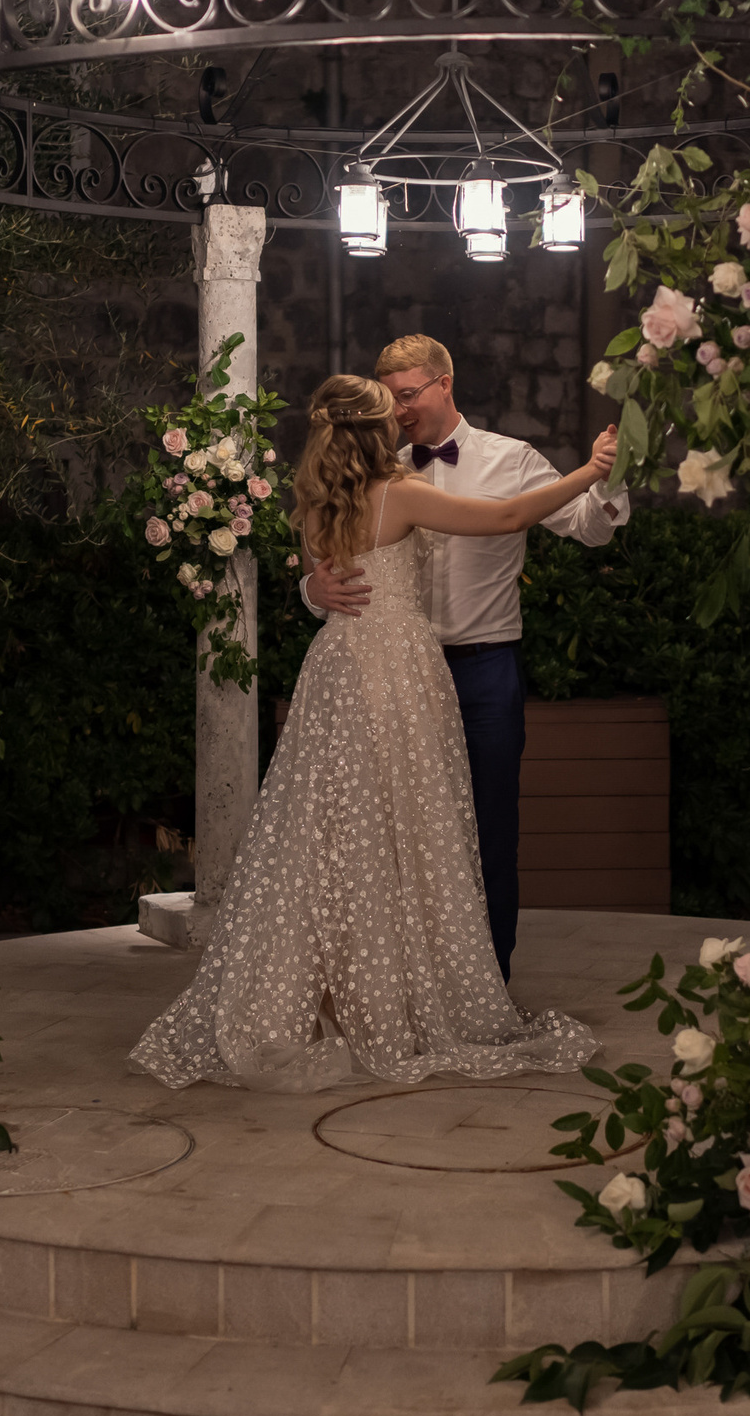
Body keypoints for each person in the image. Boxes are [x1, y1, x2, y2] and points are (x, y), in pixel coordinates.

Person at [129, 374, 608, 1093]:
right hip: (397, 670)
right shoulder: (400, 492)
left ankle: (336, 995)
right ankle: (396, 1000)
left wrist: (314, 587)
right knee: (404, 829)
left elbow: (328, 572)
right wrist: (590, 472)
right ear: (378, 430)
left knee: (330, 833)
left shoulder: (315, 500)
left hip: (337, 669)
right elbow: (508, 518)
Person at [300, 335, 630, 980]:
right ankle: (410, 985)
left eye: (408, 395)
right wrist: (312, 589)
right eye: (388, 399)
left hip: (482, 670)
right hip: (390, 675)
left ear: (445, 383)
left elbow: (590, 528)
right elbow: (334, 567)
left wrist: (610, 476)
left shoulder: (512, 459)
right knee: (398, 837)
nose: (398, 411)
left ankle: (487, 984)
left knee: (488, 831)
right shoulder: (375, 472)